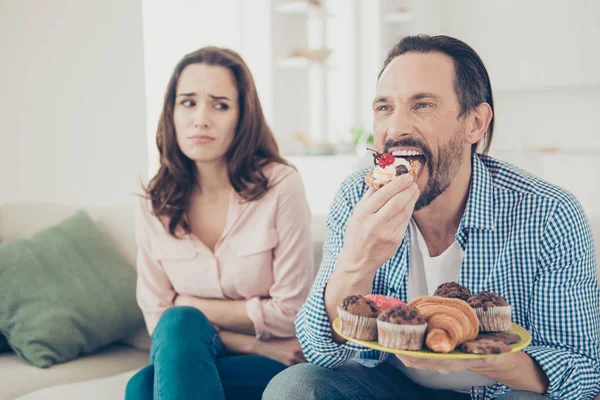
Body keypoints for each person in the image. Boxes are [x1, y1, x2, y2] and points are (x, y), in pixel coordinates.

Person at [263, 35, 600, 400]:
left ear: (475, 123)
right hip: (388, 386)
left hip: (499, 390)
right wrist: (357, 260)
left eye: (422, 105)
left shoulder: (549, 213)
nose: (396, 129)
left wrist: (486, 358)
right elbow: (319, 351)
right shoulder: (357, 198)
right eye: (384, 108)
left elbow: (583, 371)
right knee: (295, 388)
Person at [125, 46, 314, 400]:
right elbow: (158, 320)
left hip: (279, 362)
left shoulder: (280, 186)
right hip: (251, 349)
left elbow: (291, 312)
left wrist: (186, 302)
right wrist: (254, 344)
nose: (201, 119)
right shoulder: (153, 203)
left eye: (220, 104)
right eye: (188, 102)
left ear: (243, 116)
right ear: (171, 112)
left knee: (145, 384)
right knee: (174, 331)